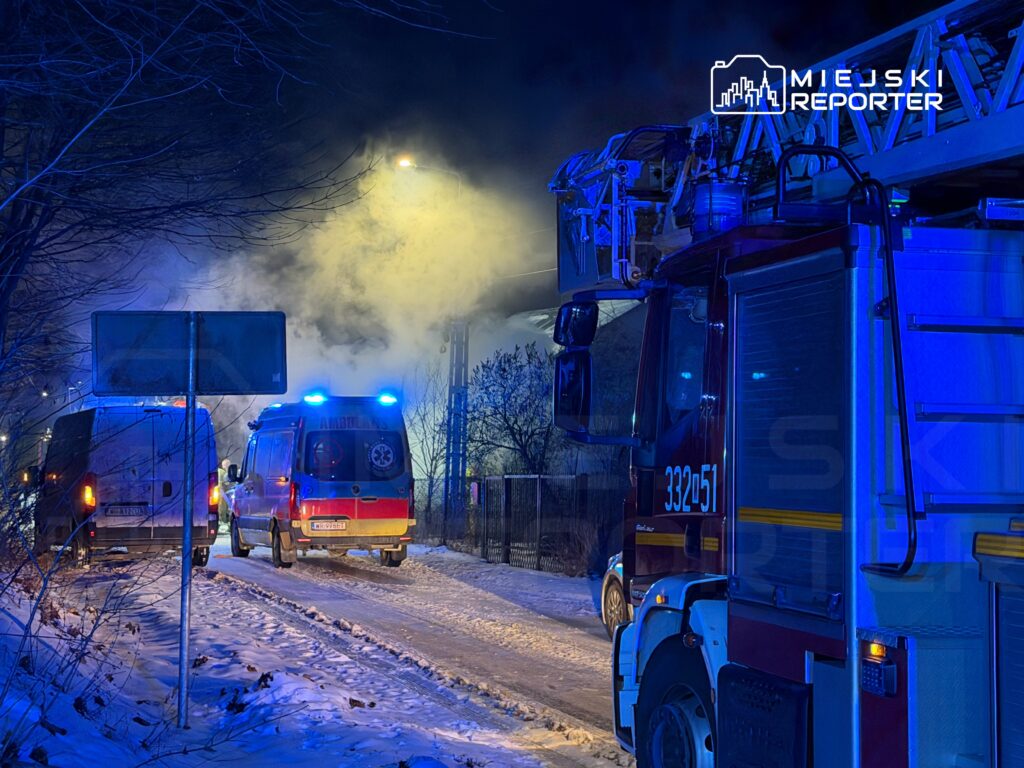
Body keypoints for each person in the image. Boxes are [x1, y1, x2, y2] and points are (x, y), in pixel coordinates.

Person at [217, 457, 234, 526]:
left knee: (222, 508)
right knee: (223, 508)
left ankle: (222, 521)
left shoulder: (219, 471)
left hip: (218, 493)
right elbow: (226, 483)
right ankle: (223, 521)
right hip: (221, 493)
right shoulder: (223, 473)